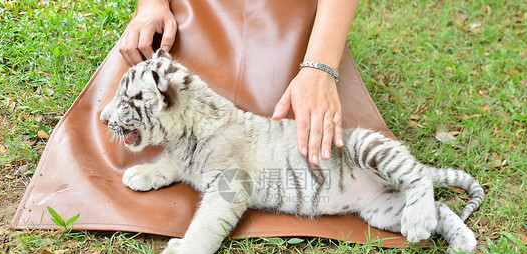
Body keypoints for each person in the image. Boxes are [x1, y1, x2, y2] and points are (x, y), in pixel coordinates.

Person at [119, 0, 360, 166]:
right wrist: (152, 5)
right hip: (196, 12)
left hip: (283, 19)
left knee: (283, 134)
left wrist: (318, 68)